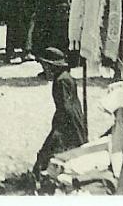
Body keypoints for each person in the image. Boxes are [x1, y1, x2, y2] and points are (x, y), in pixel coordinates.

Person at [33, 47, 88, 175]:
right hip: (72, 116)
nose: (45, 69)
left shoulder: (61, 81)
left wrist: (59, 127)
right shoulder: (65, 77)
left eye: (46, 66)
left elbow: (65, 106)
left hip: (67, 119)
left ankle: (40, 172)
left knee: (53, 148)